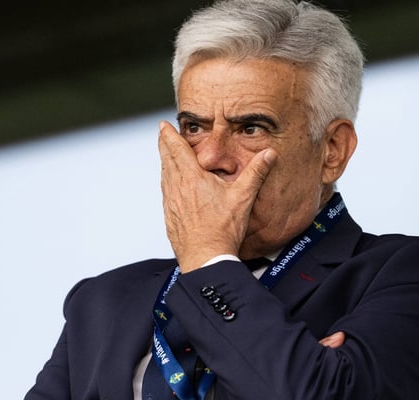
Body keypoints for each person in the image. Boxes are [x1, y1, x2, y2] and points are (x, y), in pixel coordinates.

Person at [24, 0, 419, 398]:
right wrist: (297, 367)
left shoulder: (399, 273)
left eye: (251, 128)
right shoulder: (101, 302)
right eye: (194, 127)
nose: (210, 157)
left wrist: (208, 259)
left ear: (332, 150)